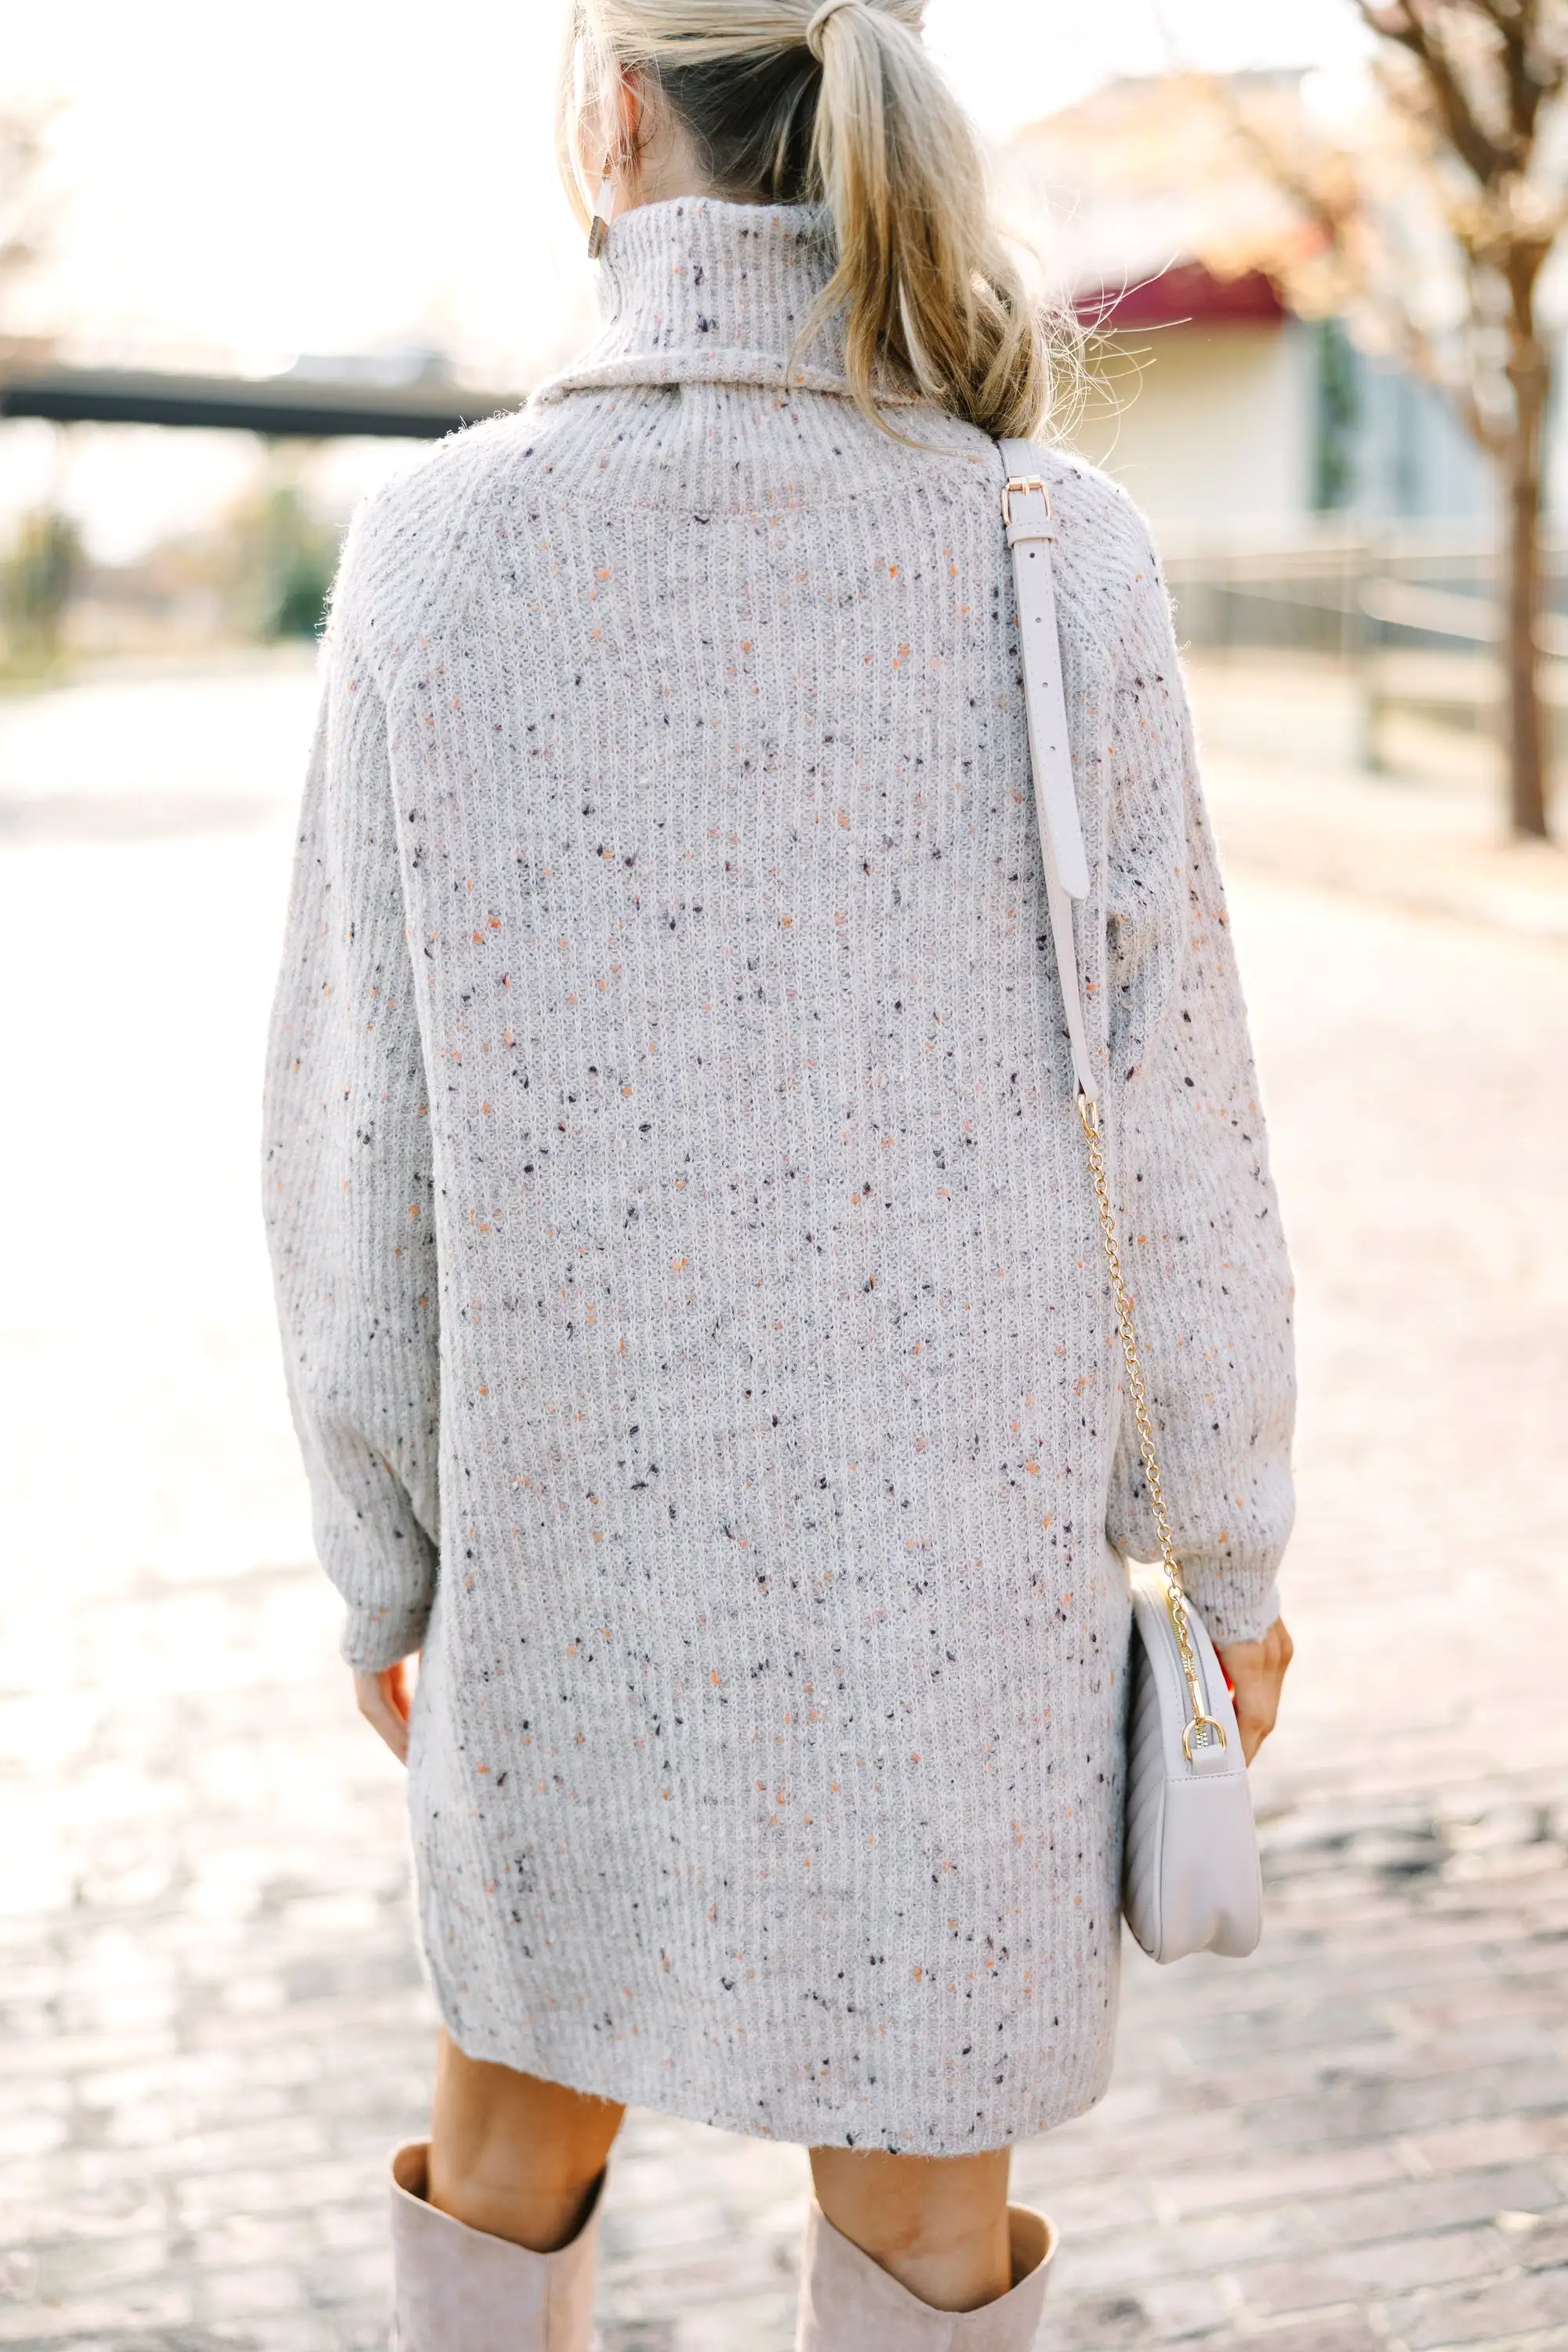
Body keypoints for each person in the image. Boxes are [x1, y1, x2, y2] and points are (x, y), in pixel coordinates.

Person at [261, 2, 1296, 2343]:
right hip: (963, 1584)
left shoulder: (431, 553)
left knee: (508, 2164)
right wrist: (1222, 1553)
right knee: (925, 2243)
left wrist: (382, 1560)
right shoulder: (1061, 557)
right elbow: (1191, 1133)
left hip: (567, 1551)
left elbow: (354, 1144)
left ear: (610, 108)